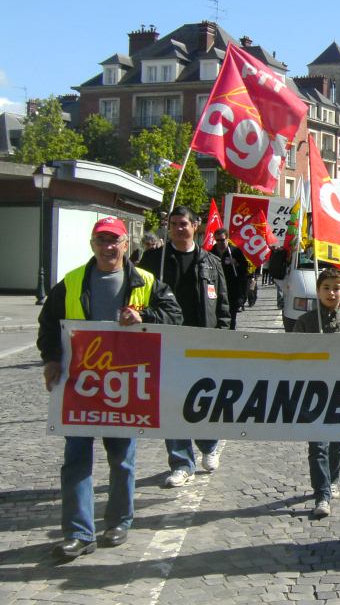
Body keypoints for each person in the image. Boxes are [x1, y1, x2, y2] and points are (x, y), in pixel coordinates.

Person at [38, 216, 182, 560]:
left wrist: (145, 319)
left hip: (125, 385)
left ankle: (118, 521)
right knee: (75, 460)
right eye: (101, 241)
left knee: (121, 460)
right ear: (93, 245)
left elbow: (175, 316)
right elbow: (48, 324)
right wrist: (51, 358)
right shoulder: (71, 282)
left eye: (114, 241)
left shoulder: (146, 281)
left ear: (124, 245)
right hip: (81, 385)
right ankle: (78, 532)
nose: (108, 247)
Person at [140, 205, 231, 488]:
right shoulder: (154, 259)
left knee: (202, 399)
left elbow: (224, 306)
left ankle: (209, 443)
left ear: (196, 226)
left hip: (202, 341)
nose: (179, 228)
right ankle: (181, 462)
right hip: (165, 341)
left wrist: (224, 337)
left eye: (184, 223)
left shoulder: (211, 262)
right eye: (174, 224)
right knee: (171, 402)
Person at [292, 267, 340, 518]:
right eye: (326, 288)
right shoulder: (306, 322)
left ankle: (333, 479)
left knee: (337, 443)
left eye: (336, 288)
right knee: (318, 444)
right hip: (313, 393)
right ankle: (322, 494)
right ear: (318, 291)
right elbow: (294, 357)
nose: (331, 293)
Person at [211, 227, 251, 330]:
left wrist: (236, 264)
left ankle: (231, 334)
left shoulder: (235, 251)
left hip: (232, 289)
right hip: (217, 288)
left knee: (231, 315)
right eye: (217, 240)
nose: (220, 242)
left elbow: (245, 269)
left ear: (227, 239)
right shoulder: (212, 252)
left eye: (222, 240)